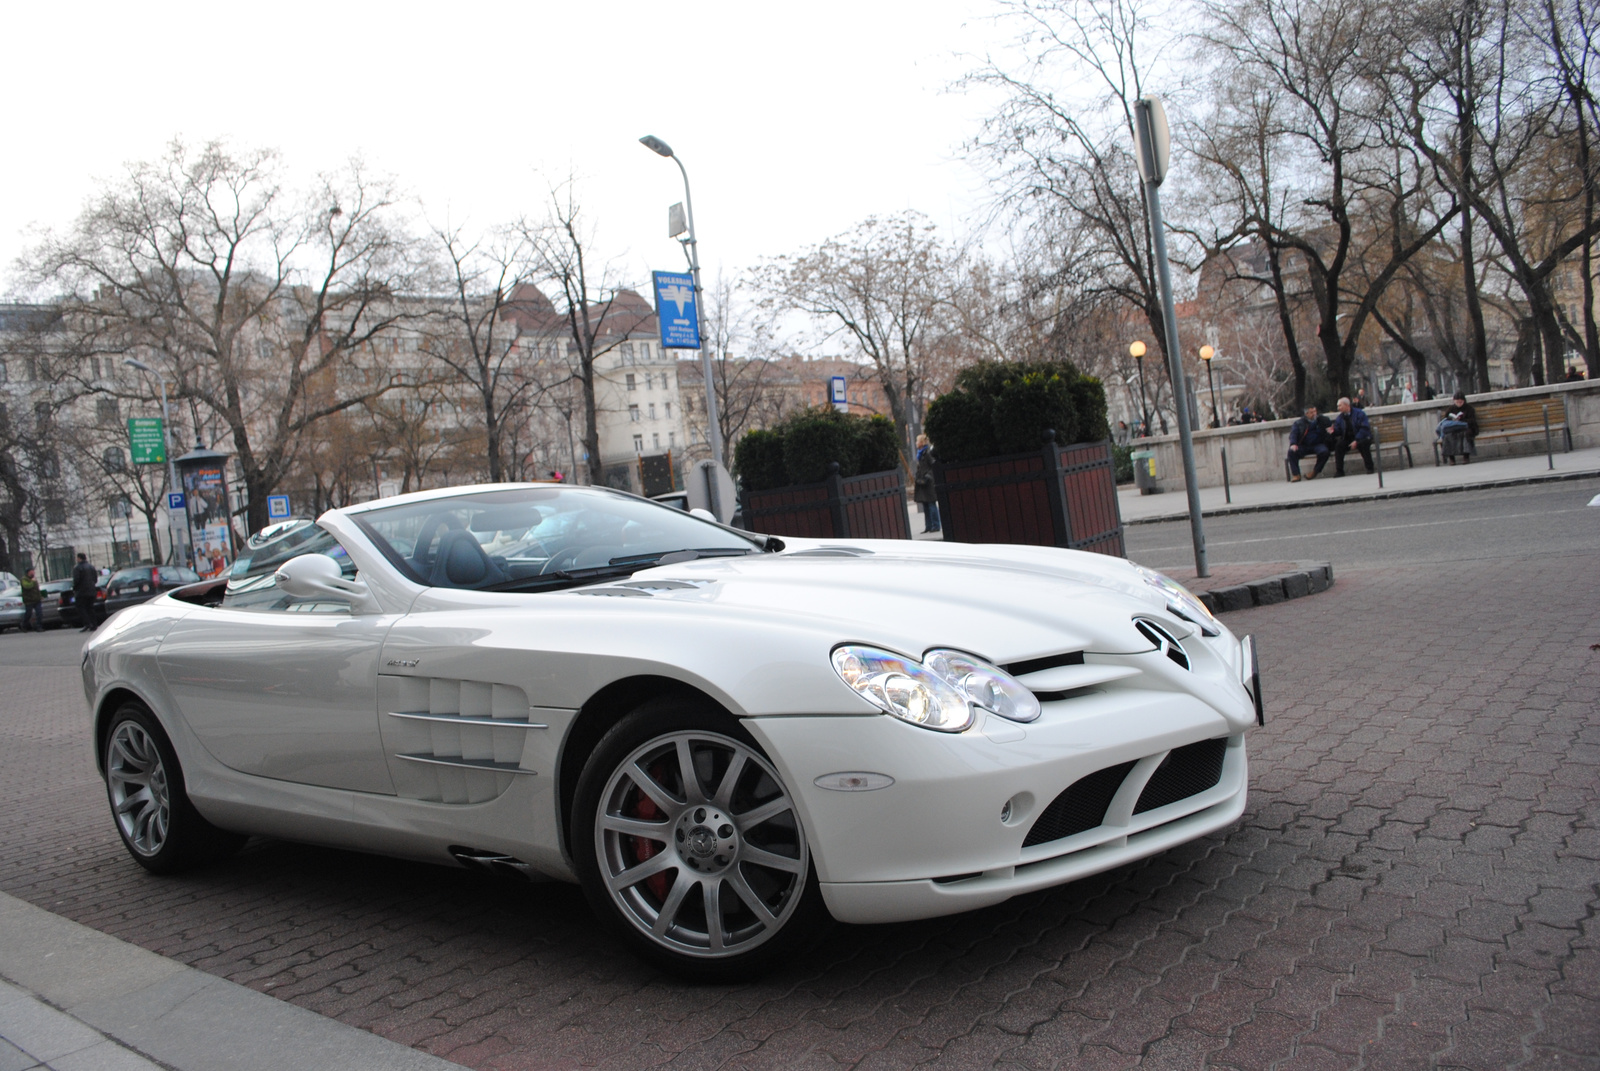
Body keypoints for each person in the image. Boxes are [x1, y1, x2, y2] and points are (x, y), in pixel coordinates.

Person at [1329, 396, 1374, 476]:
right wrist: (1333, 431)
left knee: (1363, 445)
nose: (1338, 408)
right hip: (1348, 438)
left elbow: (1364, 428)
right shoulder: (1340, 417)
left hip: (1361, 437)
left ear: (1347, 405)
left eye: (1340, 406)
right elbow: (1339, 430)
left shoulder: (1359, 413)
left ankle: (1370, 468)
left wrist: (1356, 440)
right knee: (1339, 446)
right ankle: (1339, 471)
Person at [1287, 405, 1333, 482]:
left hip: (1318, 444)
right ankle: (1296, 475)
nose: (1314, 414)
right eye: (1311, 412)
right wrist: (1293, 444)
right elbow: (1293, 434)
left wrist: (1330, 432)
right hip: (1304, 445)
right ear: (1306, 414)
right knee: (1291, 452)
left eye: (1315, 411)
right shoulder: (1299, 423)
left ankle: (1315, 472)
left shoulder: (1322, 420)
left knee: (1324, 452)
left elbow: (1329, 429)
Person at [1436, 391, 1478, 465]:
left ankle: (1466, 457)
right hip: (1453, 428)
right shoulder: (1451, 409)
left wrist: (1461, 420)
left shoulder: (1469, 408)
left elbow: (1472, 421)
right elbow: (1446, 420)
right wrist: (1453, 420)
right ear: (1454, 401)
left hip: (1465, 428)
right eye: (1457, 402)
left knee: (1466, 434)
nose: (1459, 403)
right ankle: (1451, 459)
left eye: (1461, 402)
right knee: (1447, 436)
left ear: (1464, 401)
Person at [914, 433, 940, 534]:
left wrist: (928, 476)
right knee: (925, 505)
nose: (916, 443)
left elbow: (933, 464)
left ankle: (935, 525)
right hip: (923, 482)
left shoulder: (927, 453)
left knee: (931, 504)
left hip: (928, 482)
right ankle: (928, 526)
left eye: (917, 441)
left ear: (921, 442)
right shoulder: (920, 453)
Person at [71, 552, 101, 632]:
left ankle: (87, 623)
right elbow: (95, 579)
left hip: (81, 592)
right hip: (91, 591)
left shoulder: (77, 568)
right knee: (90, 608)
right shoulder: (91, 567)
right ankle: (94, 624)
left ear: (79, 558)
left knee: (81, 608)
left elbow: (76, 580)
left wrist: (74, 588)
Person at [19, 568, 43, 632]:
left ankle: (38, 626)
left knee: (39, 613)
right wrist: (32, 582)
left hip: (37, 600)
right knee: (28, 614)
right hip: (29, 600)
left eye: (33, 571)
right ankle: (24, 625)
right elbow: (27, 586)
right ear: (28, 572)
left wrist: (40, 596)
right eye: (31, 572)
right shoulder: (24, 579)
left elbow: (37, 589)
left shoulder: (34, 579)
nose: (33, 573)